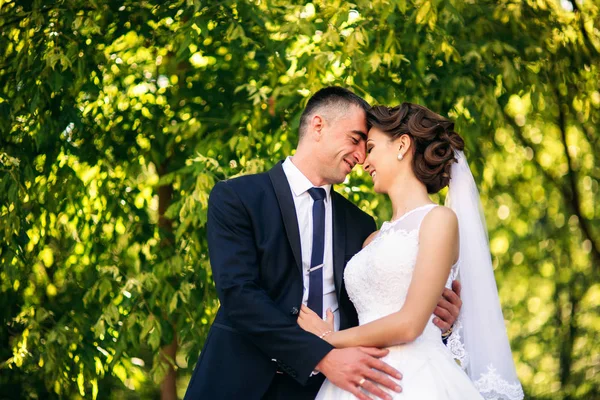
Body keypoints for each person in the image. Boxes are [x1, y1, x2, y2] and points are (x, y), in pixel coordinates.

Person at [183, 88, 462, 400]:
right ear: (318, 126)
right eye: (356, 139)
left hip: (330, 388)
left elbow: (376, 312)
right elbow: (238, 295)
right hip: (240, 382)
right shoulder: (238, 198)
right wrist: (319, 353)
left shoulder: (361, 225)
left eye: (367, 146)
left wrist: (441, 326)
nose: (361, 157)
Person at [298, 103, 524, 400]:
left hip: (414, 380)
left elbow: (410, 324)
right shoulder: (370, 239)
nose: (364, 161)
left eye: (372, 147)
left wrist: (328, 338)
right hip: (355, 376)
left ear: (402, 145)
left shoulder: (439, 220)